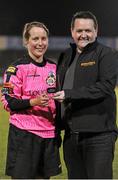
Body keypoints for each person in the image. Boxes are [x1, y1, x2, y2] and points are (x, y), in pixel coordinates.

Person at [53, 11, 118, 179]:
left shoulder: (107, 54)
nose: (84, 35)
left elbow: (106, 87)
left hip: (99, 136)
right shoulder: (66, 56)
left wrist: (69, 94)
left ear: (96, 31)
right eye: (79, 30)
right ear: (72, 31)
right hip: (71, 136)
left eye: (88, 30)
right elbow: (58, 88)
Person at [1, 21, 62, 179]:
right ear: (26, 41)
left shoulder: (54, 68)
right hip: (24, 136)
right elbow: (8, 101)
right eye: (35, 39)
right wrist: (32, 102)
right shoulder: (14, 69)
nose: (40, 43)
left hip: (49, 136)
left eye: (43, 39)